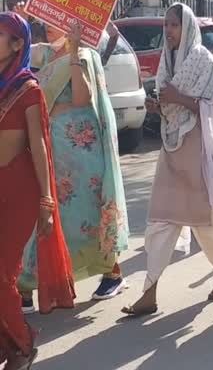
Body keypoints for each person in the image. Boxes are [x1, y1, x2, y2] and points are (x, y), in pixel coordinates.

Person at [122, 3, 213, 316]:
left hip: (198, 150)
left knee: (208, 222)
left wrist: (178, 99)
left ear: (186, 26)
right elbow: (169, 102)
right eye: (166, 25)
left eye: (174, 24)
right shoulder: (168, 60)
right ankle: (149, 291)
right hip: (171, 149)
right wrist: (158, 106)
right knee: (161, 218)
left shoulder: (203, 59)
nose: (168, 30)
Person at [20, 19, 129, 312]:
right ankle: (28, 283)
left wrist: (74, 52)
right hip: (49, 143)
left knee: (86, 214)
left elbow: (82, 98)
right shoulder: (42, 54)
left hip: (80, 151)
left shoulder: (84, 55)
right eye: (48, 21)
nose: (51, 26)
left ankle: (111, 272)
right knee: (41, 212)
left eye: (59, 21)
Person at [0, 12, 75, 370]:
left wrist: (46, 201)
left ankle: (25, 346)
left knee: (2, 277)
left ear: (18, 44)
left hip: (18, 192)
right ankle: (6, 343)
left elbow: (40, 145)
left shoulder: (27, 89)